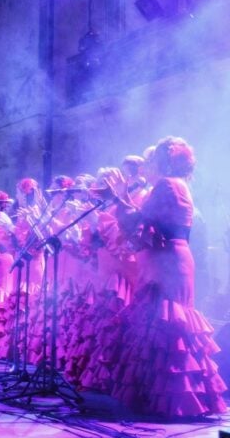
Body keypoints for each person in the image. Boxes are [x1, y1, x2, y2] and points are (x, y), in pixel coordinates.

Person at [100, 136, 227, 416]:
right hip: (170, 258)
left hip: (168, 262)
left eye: (154, 156)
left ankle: (172, 402)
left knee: (165, 323)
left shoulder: (167, 185)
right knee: (165, 324)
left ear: (165, 160)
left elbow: (137, 221)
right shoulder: (178, 185)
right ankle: (167, 399)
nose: (149, 162)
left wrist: (117, 198)